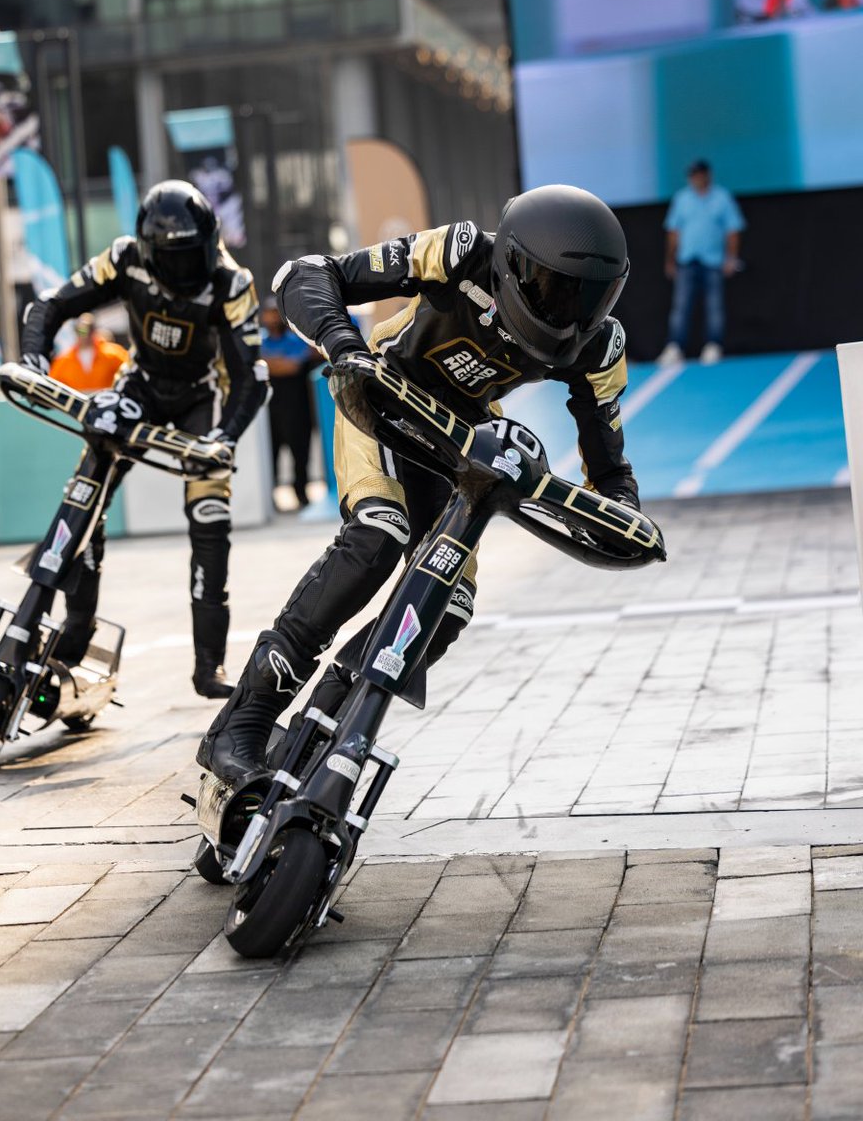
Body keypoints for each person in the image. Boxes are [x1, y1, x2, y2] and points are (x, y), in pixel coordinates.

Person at [197, 183, 641, 778]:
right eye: (554, 288)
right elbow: (305, 273)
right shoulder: (459, 251)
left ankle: (324, 722)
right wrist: (345, 348)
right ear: (509, 263)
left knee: (448, 606)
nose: (571, 312)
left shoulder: (601, 346)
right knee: (378, 538)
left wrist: (621, 516)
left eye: (590, 297)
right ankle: (243, 724)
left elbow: (610, 469)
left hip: (465, 439)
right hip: (384, 397)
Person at [20, 180, 270, 698]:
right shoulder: (122, 257)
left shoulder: (232, 282)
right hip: (140, 389)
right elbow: (49, 306)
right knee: (85, 495)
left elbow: (250, 377)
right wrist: (33, 358)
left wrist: (224, 437)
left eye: (192, 254)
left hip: (205, 401)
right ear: (149, 251)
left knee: (209, 522)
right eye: (170, 258)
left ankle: (209, 666)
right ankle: (76, 627)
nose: (182, 269)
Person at [660, 160, 745, 366]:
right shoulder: (682, 199)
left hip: (713, 261)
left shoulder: (722, 198)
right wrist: (670, 260)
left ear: (708, 175)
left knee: (714, 306)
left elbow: (733, 230)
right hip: (687, 260)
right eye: (692, 175)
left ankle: (713, 346)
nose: (696, 178)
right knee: (680, 306)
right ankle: (675, 347)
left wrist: (730, 258)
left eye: (699, 174)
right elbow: (673, 231)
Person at [259, 294, 314, 509]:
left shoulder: (296, 340)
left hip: (296, 410)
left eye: (276, 313)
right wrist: (277, 363)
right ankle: (268, 499)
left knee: (300, 454)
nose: (273, 318)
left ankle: (300, 493)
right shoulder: (259, 340)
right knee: (269, 456)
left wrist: (268, 363)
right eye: (269, 313)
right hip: (268, 410)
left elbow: (292, 366)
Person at [49, 313, 129, 391]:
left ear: (94, 331)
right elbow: (52, 385)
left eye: (88, 331)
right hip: (78, 402)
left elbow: (130, 371)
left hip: (106, 401)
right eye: (81, 331)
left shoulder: (113, 353)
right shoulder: (64, 360)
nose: (85, 335)